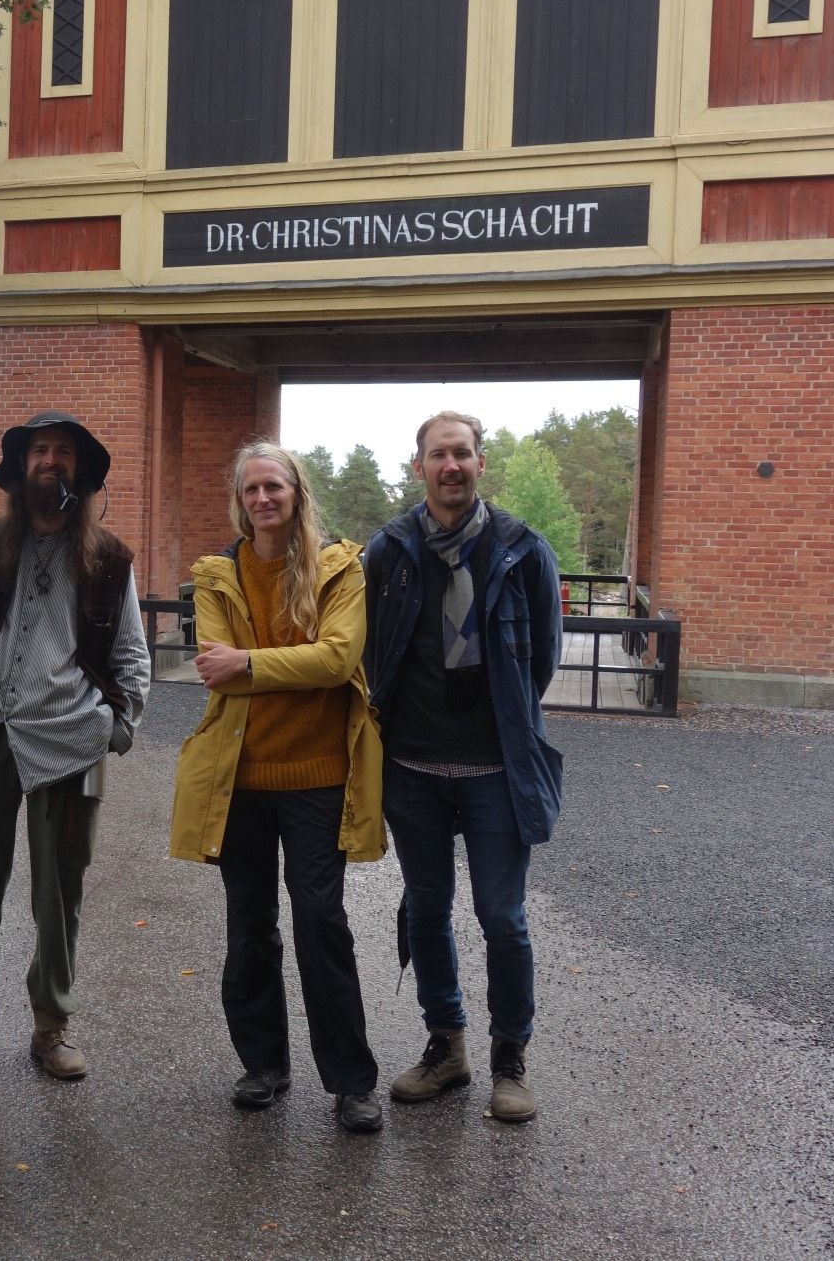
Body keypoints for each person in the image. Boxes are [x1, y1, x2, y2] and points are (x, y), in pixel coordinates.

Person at [169, 443, 386, 1133]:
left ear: (297, 492)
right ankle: (264, 1064)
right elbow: (215, 665)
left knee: (322, 922)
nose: (264, 498)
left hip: (319, 775)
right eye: (253, 488)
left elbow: (338, 658)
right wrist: (272, 664)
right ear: (240, 498)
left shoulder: (338, 568)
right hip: (242, 776)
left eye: (276, 486)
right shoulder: (217, 573)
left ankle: (351, 1080)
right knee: (250, 924)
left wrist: (253, 661)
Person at [0, 410, 150, 1081]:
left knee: (60, 889)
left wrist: (114, 723)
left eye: (62, 452)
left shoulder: (109, 558)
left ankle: (52, 1026)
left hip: (71, 737)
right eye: (38, 451)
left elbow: (133, 656)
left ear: (79, 470)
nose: (49, 462)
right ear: (19, 466)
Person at [362, 411, 563, 1124]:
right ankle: (446, 1046)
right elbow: (371, 652)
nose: (452, 465)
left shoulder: (522, 549)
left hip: (494, 769)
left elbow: (539, 660)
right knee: (424, 907)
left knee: (502, 917)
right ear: (418, 466)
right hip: (411, 766)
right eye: (438, 454)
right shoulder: (387, 551)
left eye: (464, 453)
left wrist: (499, 720)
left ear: (481, 464)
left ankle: (511, 1057)